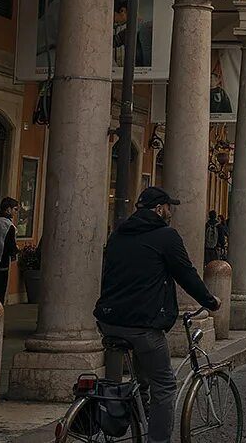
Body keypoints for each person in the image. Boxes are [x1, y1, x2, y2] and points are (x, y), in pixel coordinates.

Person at [94, 186, 221, 443]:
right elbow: (186, 274)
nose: (171, 212)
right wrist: (210, 301)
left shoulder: (118, 233)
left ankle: (140, 419)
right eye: (168, 207)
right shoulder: (166, 236)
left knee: (144, 378)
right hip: (142, 324)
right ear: (159, 209)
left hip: (108, 320)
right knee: (164, 385)